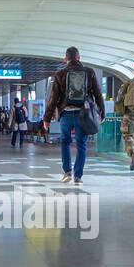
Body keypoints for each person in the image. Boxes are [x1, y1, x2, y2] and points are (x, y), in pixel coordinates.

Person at [43, 47, 103, 186]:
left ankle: (67, 173)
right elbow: (98, 94)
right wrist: (102, 113)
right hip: (84, 114)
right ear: (79, 58)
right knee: (81, 145)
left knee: (65, 142)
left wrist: (47, 118)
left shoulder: (60, 74)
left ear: (66, 59)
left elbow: (53, 98)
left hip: (66, 114)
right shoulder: (89, 72)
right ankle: (78, 177)